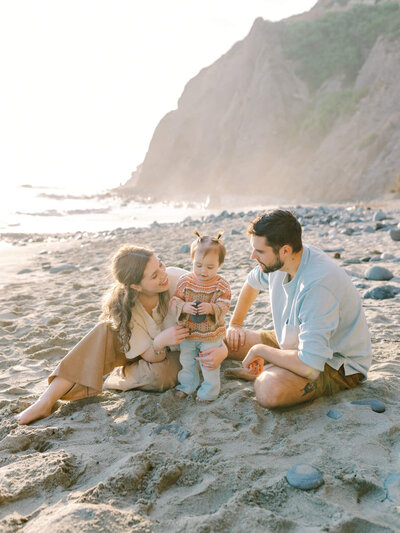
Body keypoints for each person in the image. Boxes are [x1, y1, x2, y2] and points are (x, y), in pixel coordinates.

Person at [16, 245, 228, 425]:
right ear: (136, 286)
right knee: (103, 331)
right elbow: (153, 354)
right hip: (150, 351)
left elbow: (217, 321)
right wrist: (162, 340)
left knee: (160, 375)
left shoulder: (181, 281)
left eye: (161, 265)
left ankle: (115, 379)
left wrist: (222, 350)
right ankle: (45, 402)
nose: (163, 274)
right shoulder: (127, 307)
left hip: (183, 353)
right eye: (154, 275)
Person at [225, 209, 372, 408]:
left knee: (270, 390)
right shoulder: (283, 260)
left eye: (259, 251)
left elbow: (309, 364)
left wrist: (262, 351)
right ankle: (270, 366)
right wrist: (235, 324)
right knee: (224, 340)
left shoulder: (319, 286)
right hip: (295, 339)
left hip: (335, 362)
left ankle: (266, 370)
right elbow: (252, 282)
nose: (253, 256)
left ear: (285, 250)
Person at [171, 232, 231, 401]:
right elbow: (175, 300)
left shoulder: (221, 284)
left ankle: (209, 392)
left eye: (210, 267)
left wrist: (211, 308)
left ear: (219, 264)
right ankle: (187, 386)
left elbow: (225, 304)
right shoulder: (185, 281)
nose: (203, 271)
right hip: (189, 333)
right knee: (187, 361)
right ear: (192, 261)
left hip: (211, 335)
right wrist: (184, 306)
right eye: (198, 265)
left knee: (209, 363)